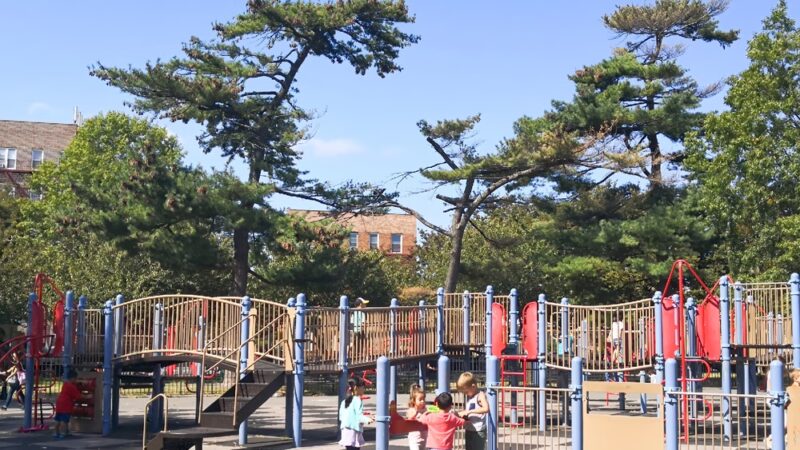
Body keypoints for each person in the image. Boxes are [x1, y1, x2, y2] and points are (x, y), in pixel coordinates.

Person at [338, 377, 374, 450]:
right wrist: (368, 420)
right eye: (363, 387)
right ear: (356, 388)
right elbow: (359, 416)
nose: (364, 389)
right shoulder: (357, 400)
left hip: (345, 431)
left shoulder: (343, 402)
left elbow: (341, 417)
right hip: (353, 431)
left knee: (349, 448)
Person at [456, 372, 488, 450]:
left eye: (466, 392)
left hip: (478, 430)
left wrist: (469, 412)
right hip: (469, 428)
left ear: (473, 386)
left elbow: (486, 408)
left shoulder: (480, 395)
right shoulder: (470, 397)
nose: (466, 394)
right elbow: (469, 410)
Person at [54, 369, 81, 439]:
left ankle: (57, 433)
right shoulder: (72, 386)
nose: (76, 380)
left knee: (58, 420)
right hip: (66, 405)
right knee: (64, 420)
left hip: (59, 403)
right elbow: (78, 396)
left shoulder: (65, 384)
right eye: (76, 379)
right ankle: (63, 433)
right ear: (73, 378)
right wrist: (87, 396)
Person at [405, 384, 428, 450]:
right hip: (414, 439)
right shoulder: (412, 410)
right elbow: (408, 420)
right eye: (420, 399)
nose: (422, 401)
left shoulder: (425, 409)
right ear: (413, 400)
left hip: (424, 437)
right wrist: (415, 414)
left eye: (423, 399)